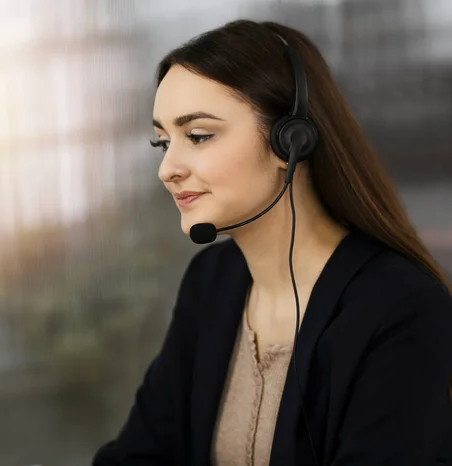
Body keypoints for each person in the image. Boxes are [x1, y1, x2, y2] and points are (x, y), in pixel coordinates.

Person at [92, 19, 452, 466]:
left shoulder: (398, 307)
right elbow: (137, 455)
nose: (168, 168)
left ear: (291, 142)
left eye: (198, 136)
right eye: (162, 142)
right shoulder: (212, 283)